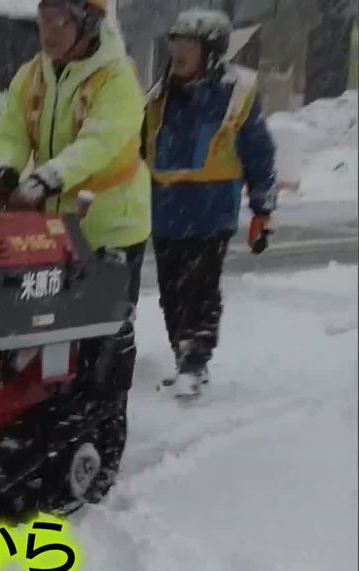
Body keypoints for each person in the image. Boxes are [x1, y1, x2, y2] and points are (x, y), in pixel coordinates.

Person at [0, 0, 151, 504]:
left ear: (89, 24)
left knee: (102, 346)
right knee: (41, 337)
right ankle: (41, 438)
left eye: (61, 22)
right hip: (47, 231)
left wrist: (46, 178)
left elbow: (100, 143)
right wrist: (6, 171)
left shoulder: (116, 79)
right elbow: (12, 133)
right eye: (43, 20)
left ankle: (99, 453)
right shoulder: (31, 76)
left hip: (109, 228)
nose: (48, 32)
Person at [143, 9, 277, 399]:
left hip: (210, 212)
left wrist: (262, 211)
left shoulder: (235, 94)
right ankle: (180, 353)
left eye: (190, 45)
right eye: (176, 43)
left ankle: (194, 361)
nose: (179, 52)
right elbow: (138, 149)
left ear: (213, 52)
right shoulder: (159, 95)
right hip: (165, 212)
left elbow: (259, 154)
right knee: (171, 293)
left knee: (199, 290)